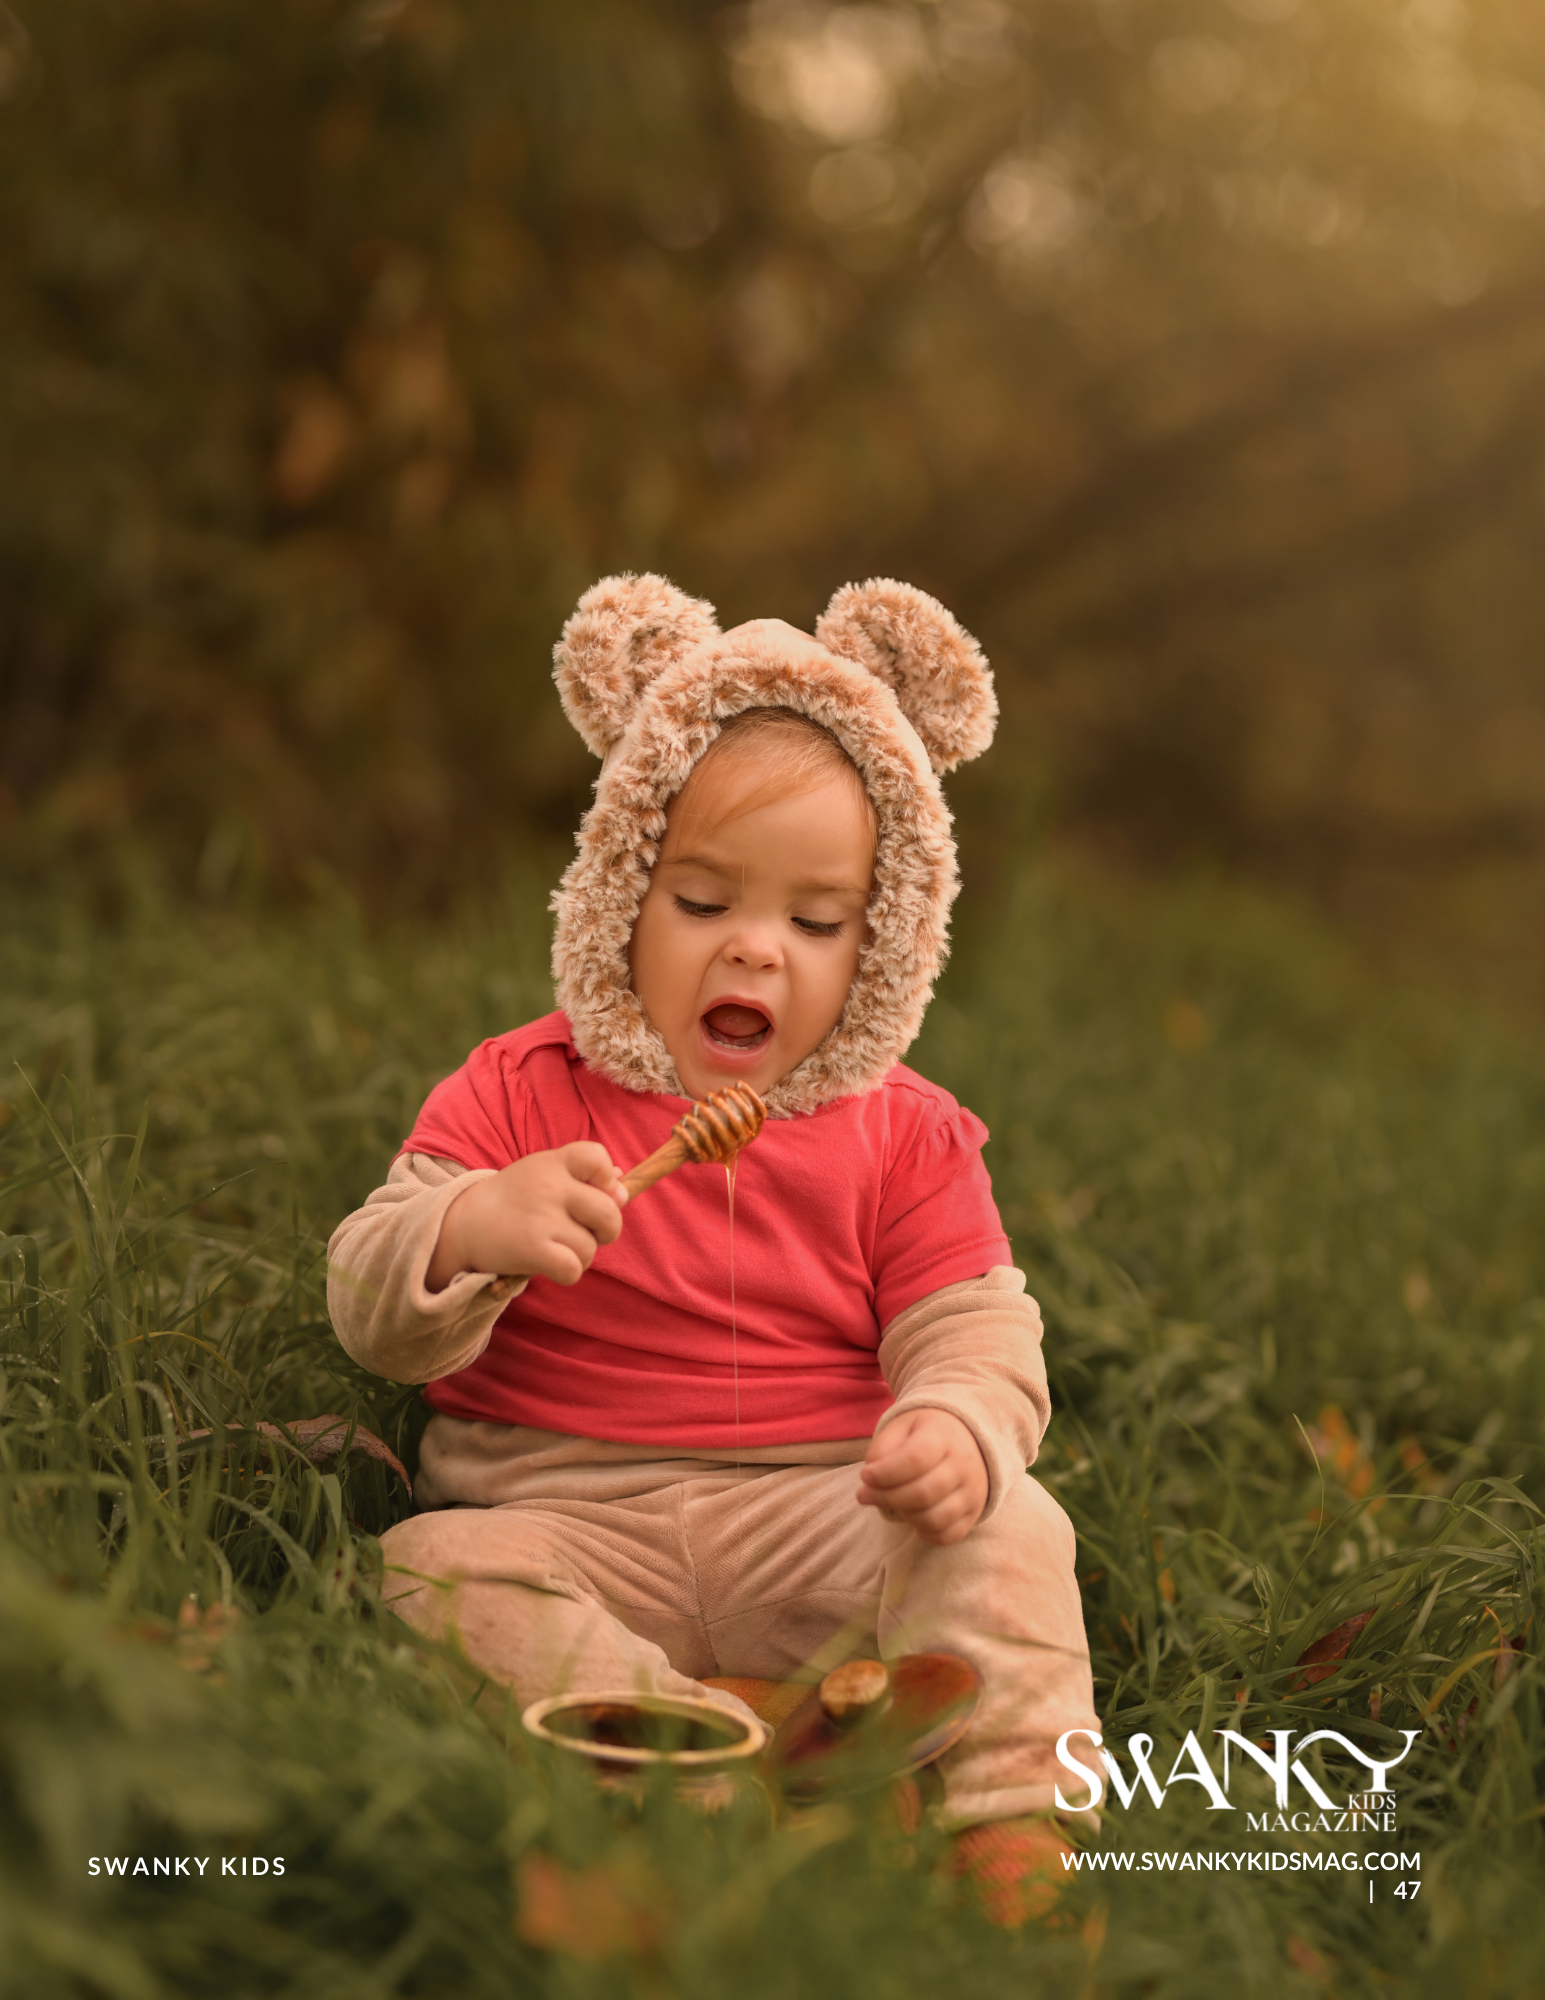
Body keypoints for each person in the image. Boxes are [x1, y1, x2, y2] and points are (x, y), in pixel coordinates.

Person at [327, 573, 1099, 1915]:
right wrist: (471, 1224)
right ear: (622, 890)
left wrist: (956, 1423)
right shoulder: (516, 1092)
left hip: (823, 1514)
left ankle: (1008, 1822)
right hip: (558, 1514)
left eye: (814, 923)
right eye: (702, 902)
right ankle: (690, 1752)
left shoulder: (904, 1135)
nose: (757, 952)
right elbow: (367, 1293)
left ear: (884, 940)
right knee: (425, 1575)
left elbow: (977, 1324)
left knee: (1012, 1526)